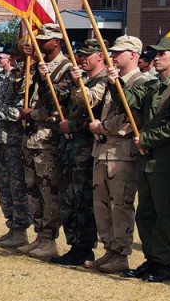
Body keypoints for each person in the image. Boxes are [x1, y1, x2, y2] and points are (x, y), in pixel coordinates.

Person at [120, 32, 170, 283]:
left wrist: (147, 139)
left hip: (165, 161)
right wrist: (117, 83)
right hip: (147, 161)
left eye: (161, 54)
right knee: (145, 214)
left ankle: (164, 263)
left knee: (164, 215)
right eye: (155, 54)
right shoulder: (151, 85)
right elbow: (128, 101)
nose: (156, 58)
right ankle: (151, 258)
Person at [84, 35, 146, 274]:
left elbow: (132, 118)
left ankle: (121, 254)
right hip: (104, 151)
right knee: (101, 205)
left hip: (122, 154)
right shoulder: (114, 80)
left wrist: (103, 127)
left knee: (120, 205)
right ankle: (109, 249)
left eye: (119, 52)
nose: (114, 55)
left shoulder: (140, 82)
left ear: (133, 55)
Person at [15, 23, 70, 259]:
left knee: (49, 191)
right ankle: (39, 235)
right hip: (31, 137)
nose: (38, 43)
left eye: (43, 40)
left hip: (49, 138)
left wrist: (34, 114)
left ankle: (49, 239)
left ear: (57, 41)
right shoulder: (35, 64)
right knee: (33, 190)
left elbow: (59, 103)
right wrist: (25, 62)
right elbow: (18, 88)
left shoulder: (66, 68)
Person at [55, 39, 107, 265]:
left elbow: (92, 108)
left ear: (100, 56)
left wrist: (73, 126)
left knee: (83, 200)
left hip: (86, 150)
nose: (81, 59)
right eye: (80, 55)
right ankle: (74, 245)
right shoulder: (83, 80)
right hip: (71, 149)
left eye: (87, 55)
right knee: (69, 199)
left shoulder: (104, 81)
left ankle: (84, 247)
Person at [0, 44, 32, 247]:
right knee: (2, 186)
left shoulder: (23, 83)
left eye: (3, 57)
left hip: (13, 141)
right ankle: (12, 227)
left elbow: (18, 113)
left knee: (16, 187)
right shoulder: (4, 80)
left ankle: (21, 230)